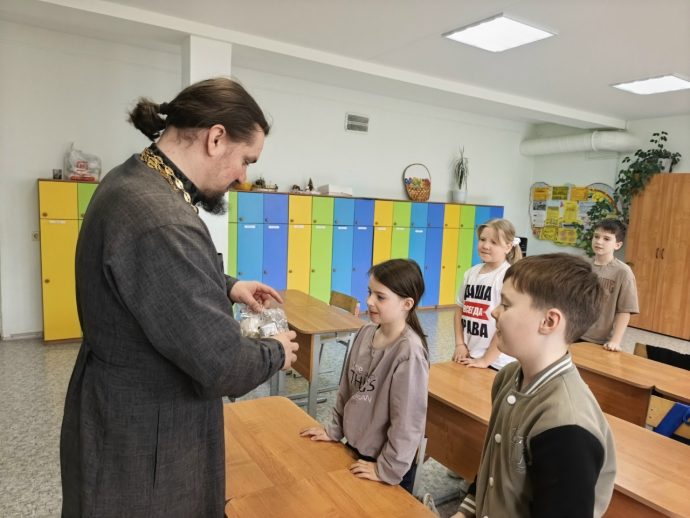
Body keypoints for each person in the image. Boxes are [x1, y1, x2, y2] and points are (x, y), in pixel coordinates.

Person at [60, 77, 299, 517]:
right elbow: (223, 365)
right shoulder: (162, 220)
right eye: (246, 160)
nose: (243, 177)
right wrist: (275, 352)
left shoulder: (134, 180)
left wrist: (226, 284)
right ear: (216, 138)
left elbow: (153, 277)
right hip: (147, 438)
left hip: (116, 407)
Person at [454, 253, 616, 518]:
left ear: (549, 322)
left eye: (506, 305)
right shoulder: (508, 377)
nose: (494, 311)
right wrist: (466, 512)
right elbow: (496, 467)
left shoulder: (568, 426)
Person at [300, 259, 429, 494]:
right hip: (356, 448)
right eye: (370, 292)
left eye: (380, 297)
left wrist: (385, 469)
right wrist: (333, 430)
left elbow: (407, 423)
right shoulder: (365, 332)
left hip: (386, 464)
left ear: (407, 303)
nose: (369, 301)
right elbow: (345, 389)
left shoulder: (409, 352)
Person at [453, 218, 522, 370]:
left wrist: (485, 360)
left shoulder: (509, 276)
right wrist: (460, 344)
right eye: (482, 239)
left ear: (508, 247)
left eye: (494, 242)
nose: (485, 246)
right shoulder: (470, 273)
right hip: (469, 355)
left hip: (497, 362)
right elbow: (459, 310)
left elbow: (506, 326)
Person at [580, 218, 639, 351]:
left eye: (606, 239)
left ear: (617, 245)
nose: (599, 241)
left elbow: (625, 310)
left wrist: (615, 340)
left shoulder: (623, 272)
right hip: (575, 331)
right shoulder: (583, 266)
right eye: (596, 236)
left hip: (601, 339)